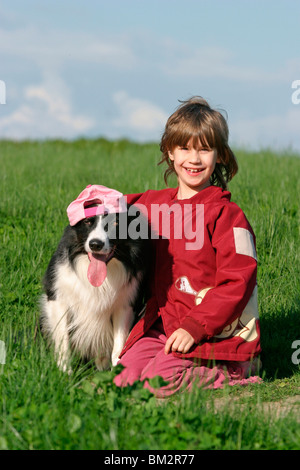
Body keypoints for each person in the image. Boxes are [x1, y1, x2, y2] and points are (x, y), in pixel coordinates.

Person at [113, 96, 262, 397]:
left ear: (219, 155)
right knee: (122, 381)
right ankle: (167, 362)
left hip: (216, 333)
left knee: (157, 382)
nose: (194, 159)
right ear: (170, 151)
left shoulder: (228, 216)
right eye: (185, 148)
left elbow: (238, 282)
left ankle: (234, 371)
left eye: (205, 149)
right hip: (164, 326)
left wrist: (195, 327)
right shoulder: (154, 206)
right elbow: (113, 207)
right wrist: (89, 204)